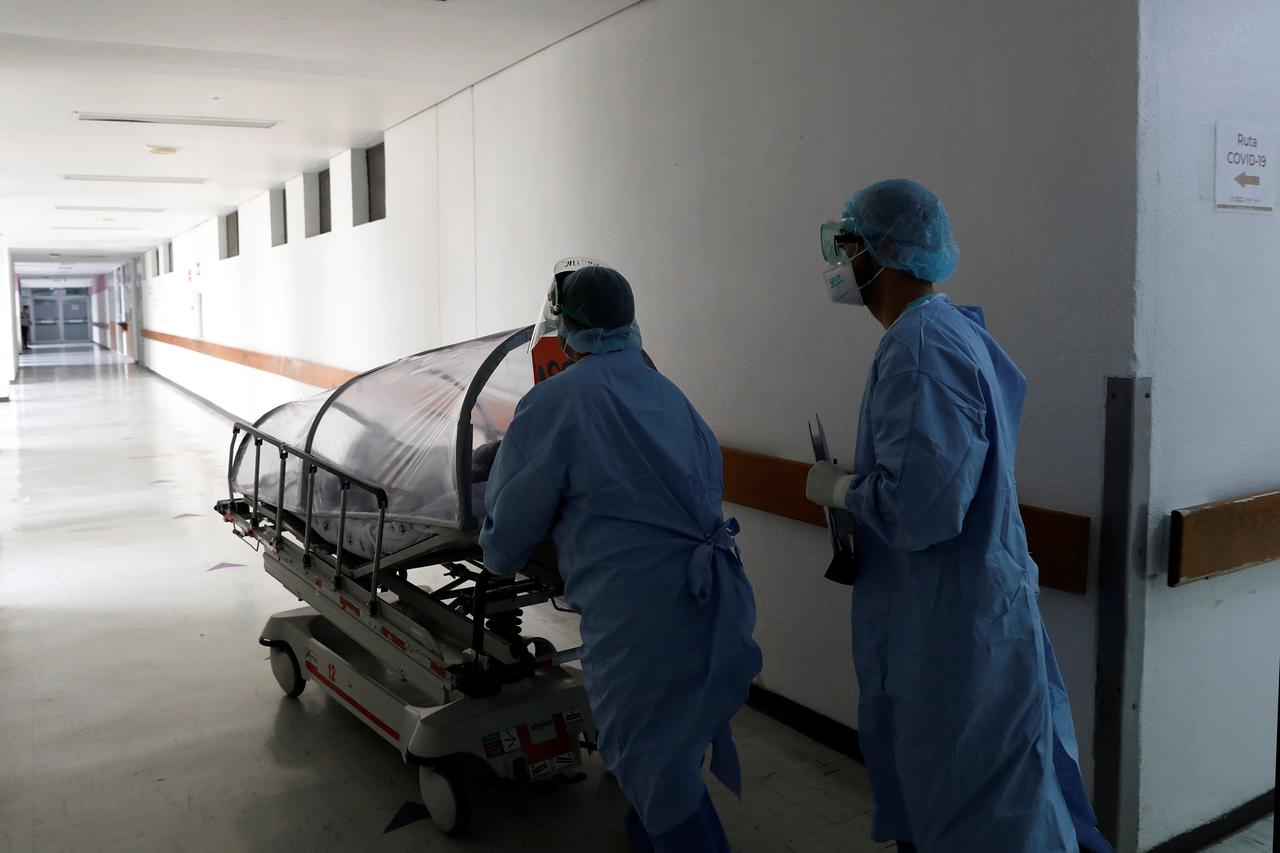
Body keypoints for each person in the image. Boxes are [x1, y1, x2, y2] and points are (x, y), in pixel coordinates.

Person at [805, 179, 1112, 853]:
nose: (840, 265)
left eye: (847, 246)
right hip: (965, 619)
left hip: (953, 637)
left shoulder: (919, 348)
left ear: (881, 253)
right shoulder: (947, 333)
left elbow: (924, 511)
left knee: (978, 816)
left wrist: (841, 490)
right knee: (997, 806)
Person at [480, 262, 762, 852]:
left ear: (566, 329)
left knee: (654, 768)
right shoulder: (668, 394)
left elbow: (508, 529)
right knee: (670, 751)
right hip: (707, 603)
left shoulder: (559, 401)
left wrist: (500, 544)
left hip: (639, 620)